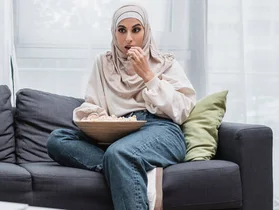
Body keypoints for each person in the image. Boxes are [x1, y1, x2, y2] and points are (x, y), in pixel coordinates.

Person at [46, 3, 197, 210]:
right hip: (119, 134)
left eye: (136, 30)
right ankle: (135, 171)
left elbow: (183, 109)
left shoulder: (164, 62)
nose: (128, 39)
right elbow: (92, 104)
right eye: (121, 30)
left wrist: (148, 75)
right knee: (57, 139)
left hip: (161, 130)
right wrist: (99, 119)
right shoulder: (103, 63)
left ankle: (125, 164)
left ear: (146, 31)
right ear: (113, 33)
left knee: (118, 154)